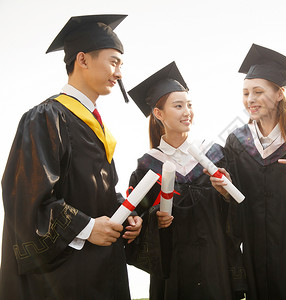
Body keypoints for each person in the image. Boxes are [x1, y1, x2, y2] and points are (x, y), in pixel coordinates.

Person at [0, 14, 142, 300]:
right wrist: (88, 228)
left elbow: (93, 191)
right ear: (83, 59)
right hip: (65, 277)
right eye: (114, 61)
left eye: (121, 65)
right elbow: (27, 197)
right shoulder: (46, 117)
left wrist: (126, 215)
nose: (119, 73)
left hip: (101, 268)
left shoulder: (95, 125)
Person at [210, 44, 286, 300]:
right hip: (254, 259)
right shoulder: (237, 143)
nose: (250, 99)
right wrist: (226, 192)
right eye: (246, 93)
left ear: (280, 93)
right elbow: (235, 211)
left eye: (258, 92)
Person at [125, 61, 246, 300]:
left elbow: (238, 218)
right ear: (158, 114)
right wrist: (153, 220)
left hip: (216, 269)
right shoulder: (147, 167)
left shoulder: (214, 155)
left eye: (189, 105)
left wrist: (226, 195)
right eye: (178, 106)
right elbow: (135, 225)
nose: (187, 111)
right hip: (174, 274)